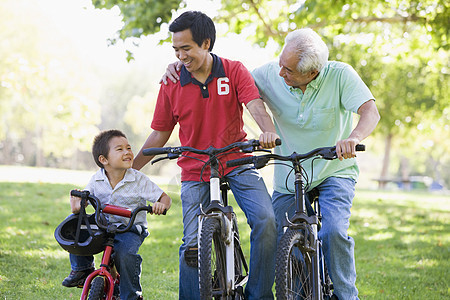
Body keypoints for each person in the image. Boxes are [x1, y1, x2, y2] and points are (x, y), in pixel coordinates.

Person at [162, 28, 380, 300]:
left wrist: (353, 138)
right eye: (280, 63)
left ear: (312, 73)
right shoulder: (268, 74)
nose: (280, 73)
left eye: (287, 70)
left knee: (334, 231)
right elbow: (227, 79)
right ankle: (299, 294)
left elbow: (370, 111)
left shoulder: (340, 75)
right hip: (290, 172)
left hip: (333, 169)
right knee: (282, 235)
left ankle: (348, 296)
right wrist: (182, 64)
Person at [132, 11, 279, 300]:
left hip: (236, 160)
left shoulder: (234, 70)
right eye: (175, 49)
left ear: (206, 43)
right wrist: (132, 170)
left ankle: (259, 295)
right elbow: (160, 132)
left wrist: (267, 131)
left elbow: (255, 105)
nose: (180, 56)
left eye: (186, 48)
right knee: (191, 244)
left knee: (267, 220)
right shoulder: (171, 82)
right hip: (195, 166)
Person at [62, 129, 172, 300]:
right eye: (120, 149)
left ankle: (131, 295)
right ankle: (82, 269)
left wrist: (160, 205)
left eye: (128, 147)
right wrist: (77, 205)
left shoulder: (138, 179)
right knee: (76, 227)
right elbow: (83, 202)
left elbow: (165, 198)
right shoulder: (96, 179)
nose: (127, 152)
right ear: (103, 160)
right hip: (104, 225)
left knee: (125, 254)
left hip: (130, 228)